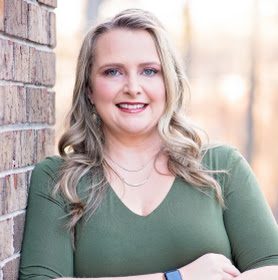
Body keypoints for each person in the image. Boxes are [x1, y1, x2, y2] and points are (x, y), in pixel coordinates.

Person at [19, 8, 278, 280]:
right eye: (113, 72)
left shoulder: (221, 167)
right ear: (89, 89)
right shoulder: (59, 180)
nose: (133, 87)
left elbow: (272, 269)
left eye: (150, 71)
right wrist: (177, 277)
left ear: (169, 83)